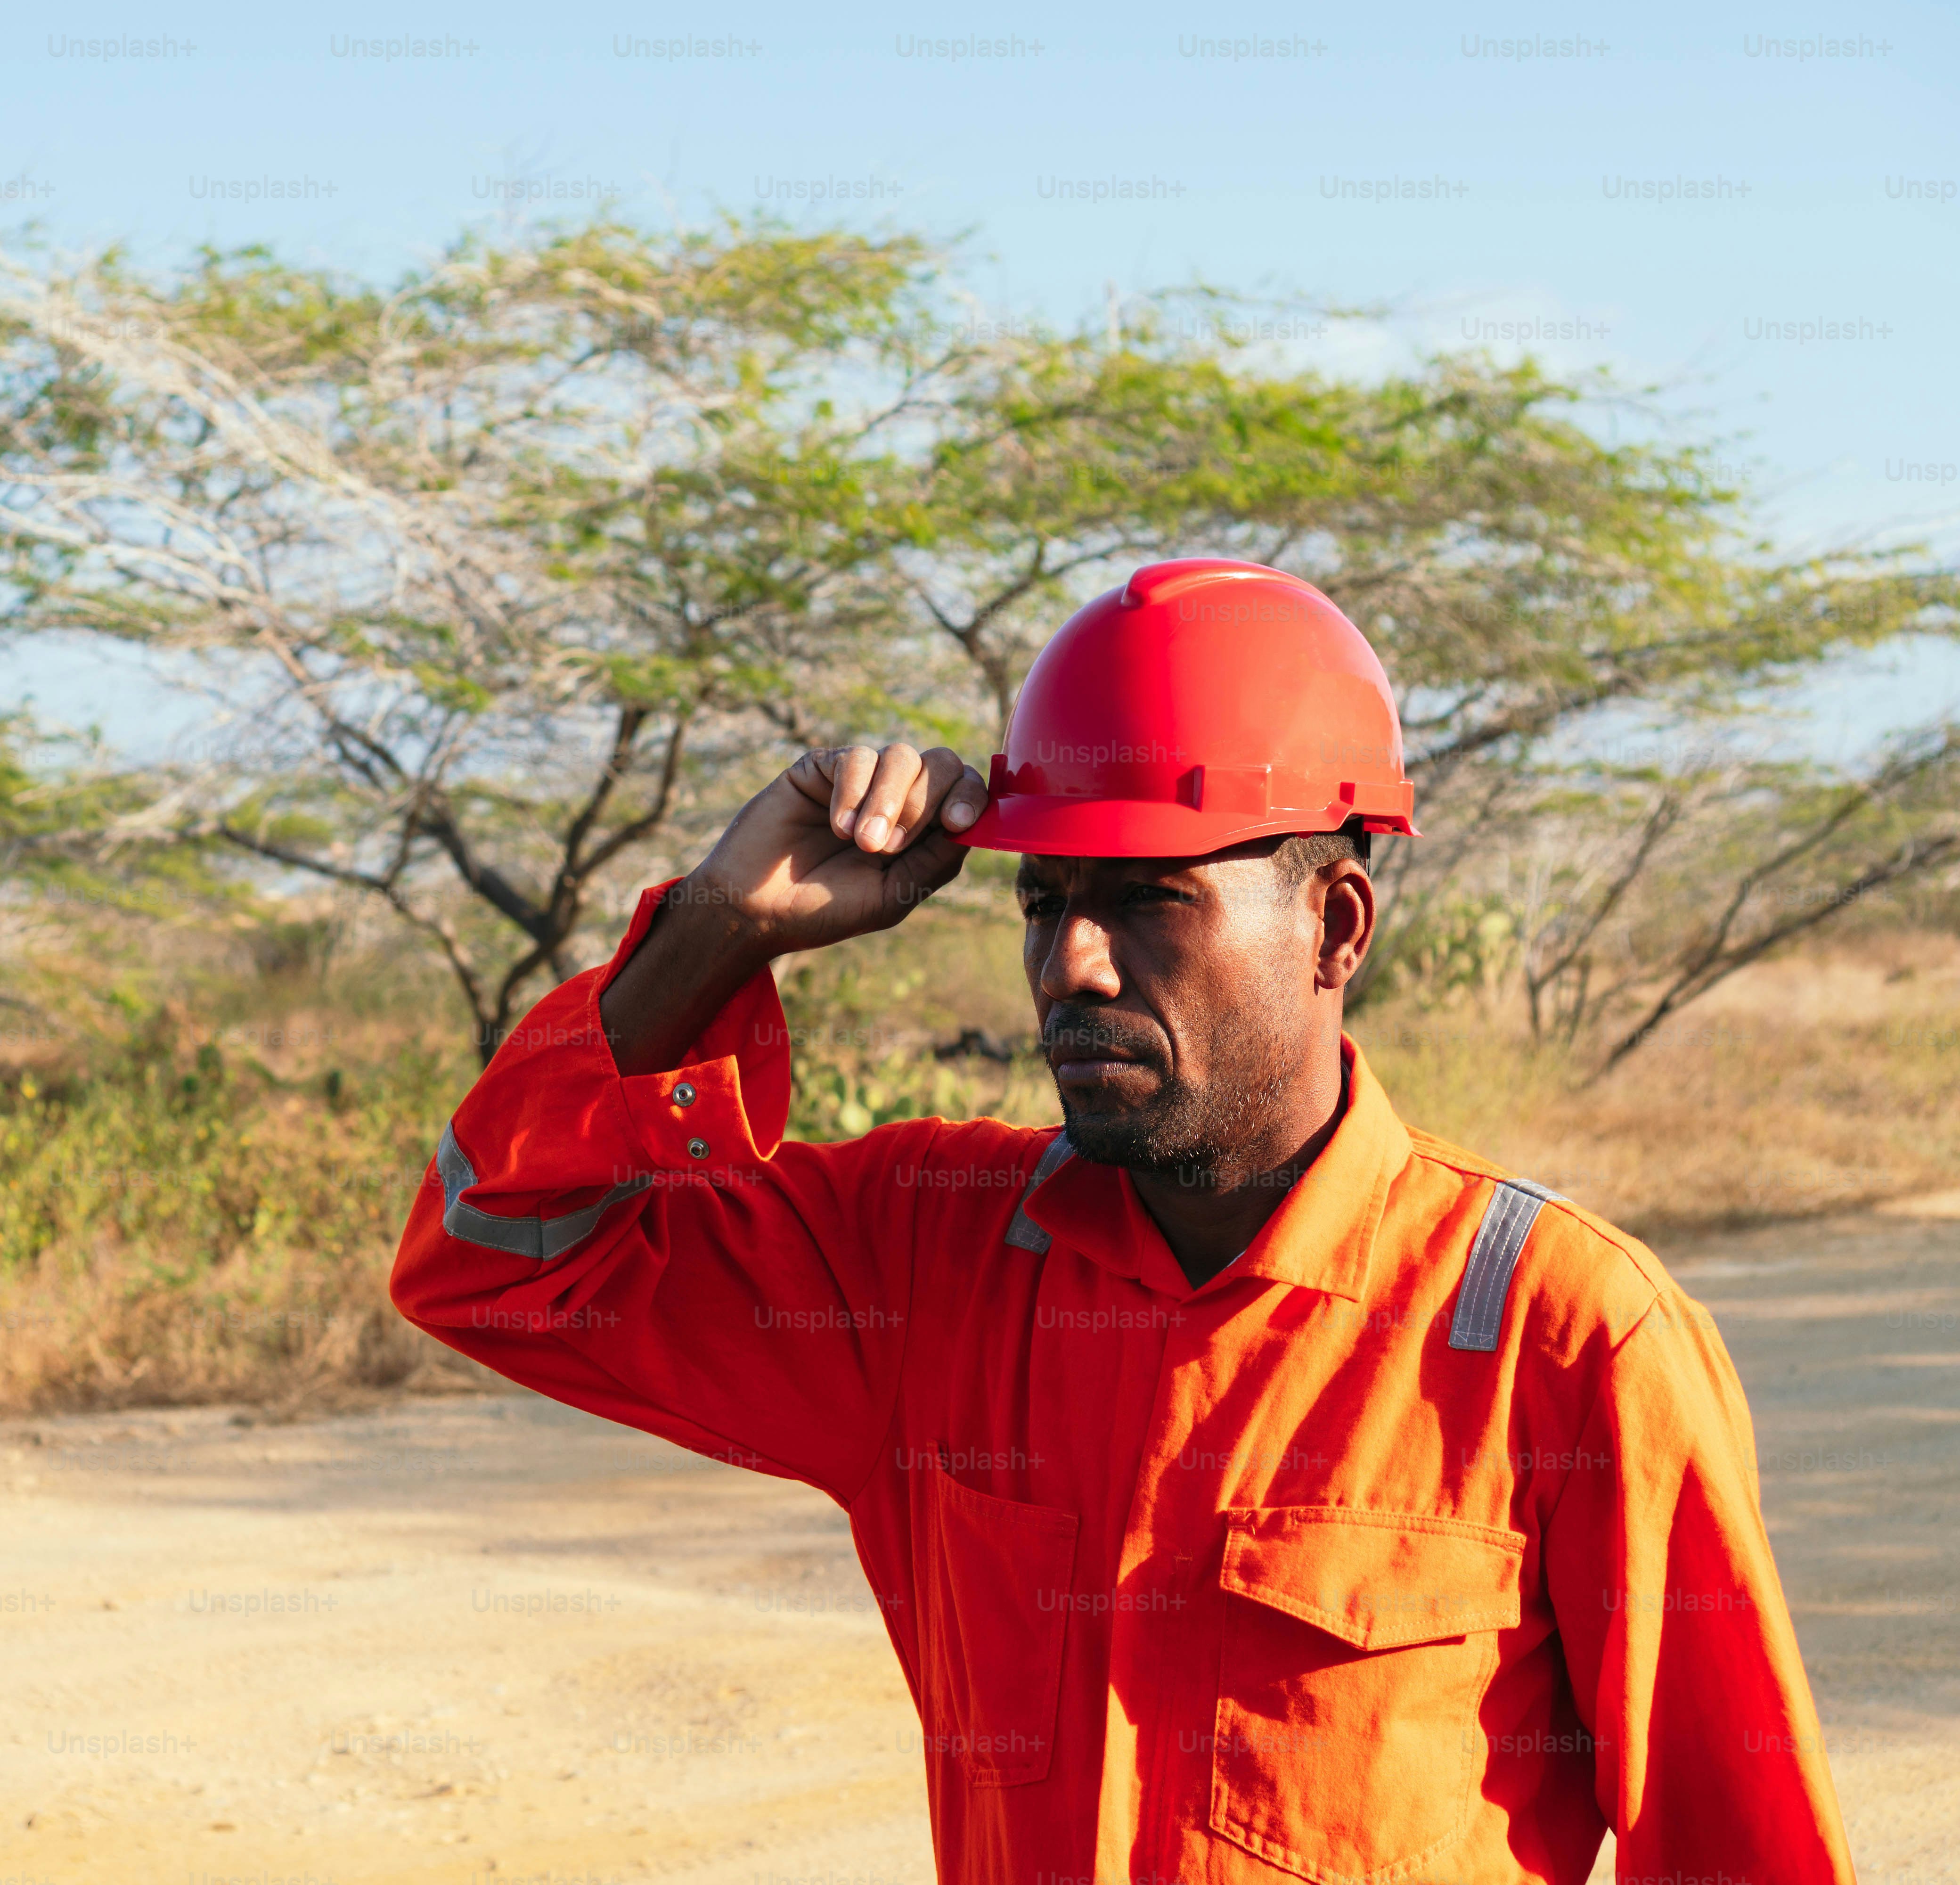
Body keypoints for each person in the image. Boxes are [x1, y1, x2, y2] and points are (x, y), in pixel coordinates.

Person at [391, 560, 1856, 1884]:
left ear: (1337, 925)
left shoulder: (1561, 1333)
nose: (1072, 965)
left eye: (1150, 902)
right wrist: (724, 924)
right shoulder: (924, 1265)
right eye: (1043, 902)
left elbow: (1743, 1856)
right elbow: (493, 1257)